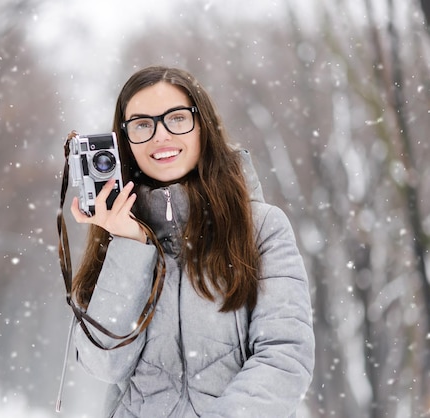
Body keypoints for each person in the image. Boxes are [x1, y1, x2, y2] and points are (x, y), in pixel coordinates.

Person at [69, 66, 315, 417]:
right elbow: (103, 364)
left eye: (177, 118)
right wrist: (129, 245)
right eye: (142, 124)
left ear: (203, 126)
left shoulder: (261, 228)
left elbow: (284, 355)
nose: (160, 136)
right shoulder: (118, 235)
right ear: (124, 141)